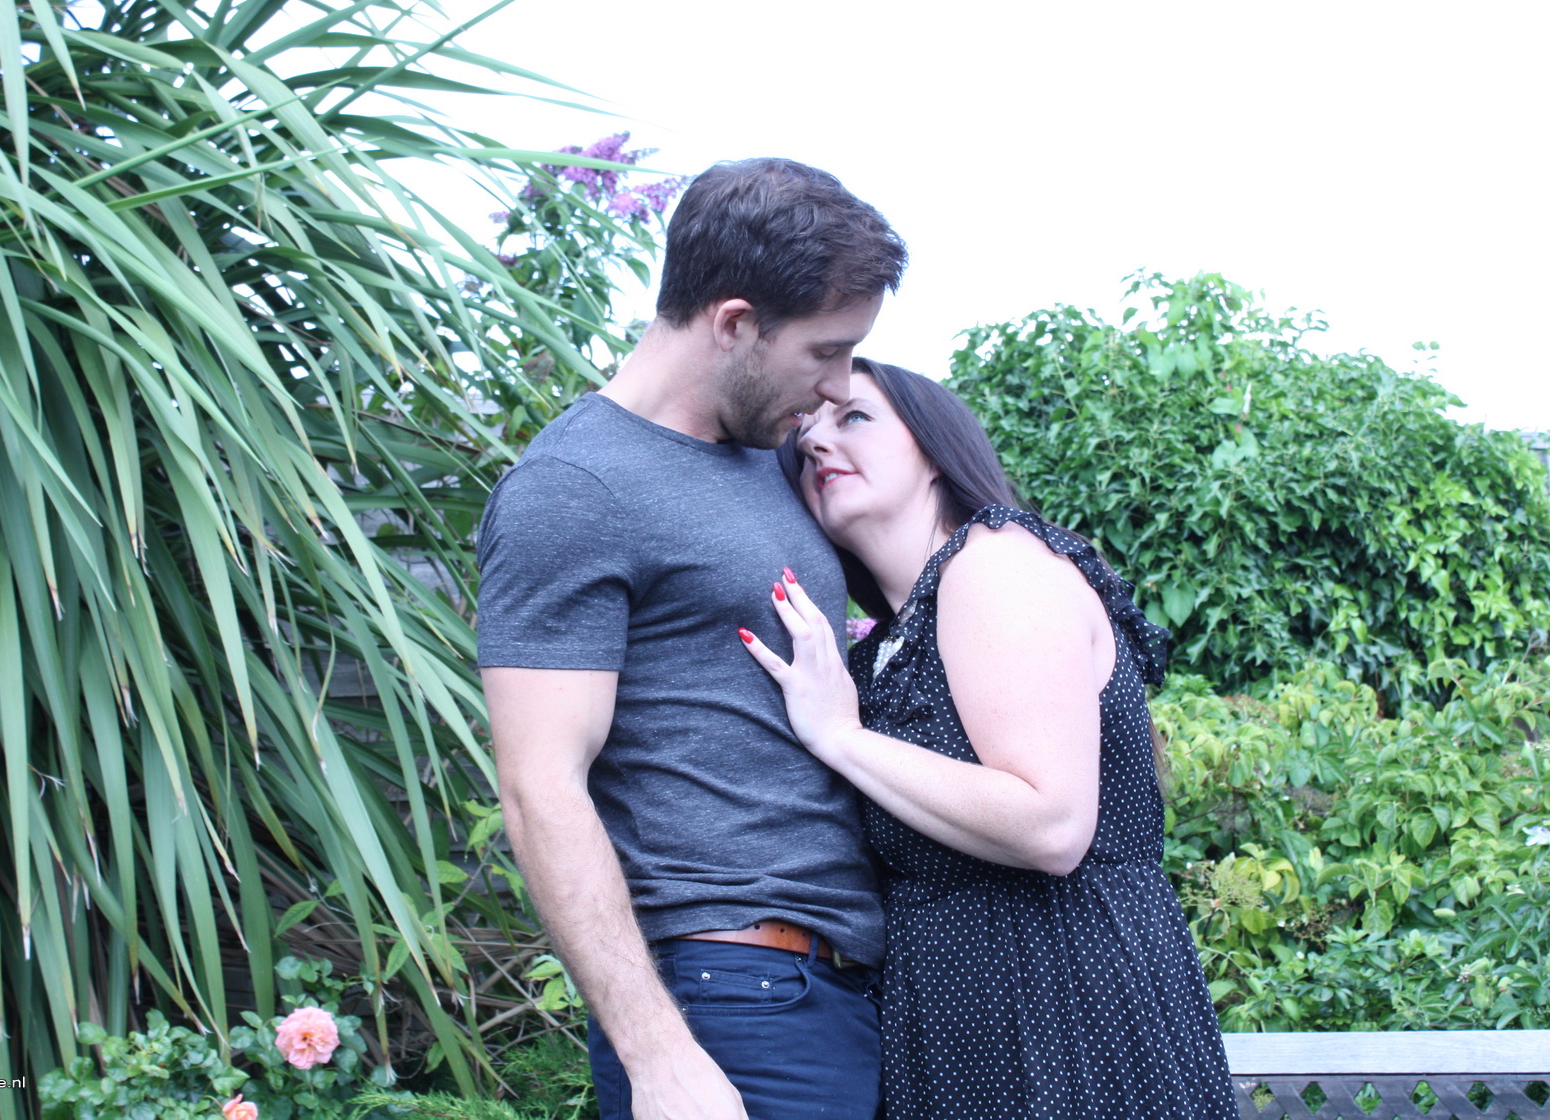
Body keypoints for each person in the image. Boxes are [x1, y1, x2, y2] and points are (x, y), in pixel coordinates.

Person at [477, 159, 907, 1120]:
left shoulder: (765, 460)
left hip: (830, 989)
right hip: (729, 1001)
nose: (837, 385)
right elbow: (539, 786)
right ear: (735, 323)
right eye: (826, 351)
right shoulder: (574, 488)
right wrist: (659, 1055)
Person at [741, 358, 1236, 1120]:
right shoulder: (887, 646)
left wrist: (839, 736)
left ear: (935, 451)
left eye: (854, 417)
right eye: (804, 435)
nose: (814, 442)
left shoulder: (995, 562)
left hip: (1066, 1006)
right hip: (958, 1026)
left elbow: (1052, 823)